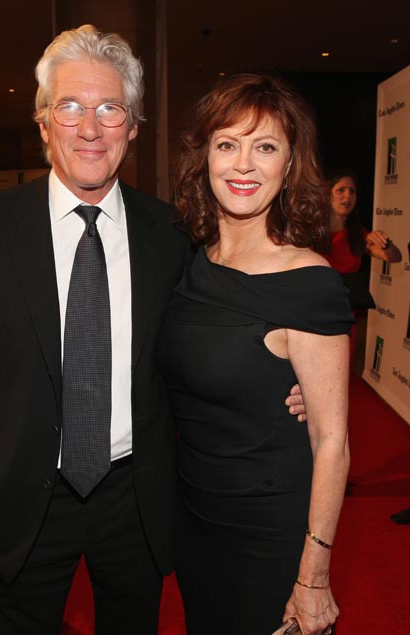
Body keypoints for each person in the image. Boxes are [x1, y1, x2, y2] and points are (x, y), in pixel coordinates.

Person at [0, 25, 307, 635]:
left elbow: (212, 343)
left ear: (133, 127)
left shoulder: (172, 235)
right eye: (70, 107)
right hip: (22, 496)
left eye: (109, 109)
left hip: (136, 498)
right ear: (43, 121)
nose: (89, 128)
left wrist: (289, 387)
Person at [157, 73, 353, 635]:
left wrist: (314, 575)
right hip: (194, 517)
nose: (244, 164)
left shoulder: (308, 282)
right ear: (205, 158)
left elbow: (331, 438)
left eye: (264, 147)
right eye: (228, 144)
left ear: (290, 165)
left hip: (268, 530)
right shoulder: (190, 261)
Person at [325, 170, 402, 360]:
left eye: (352, 191)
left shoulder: (357, 234)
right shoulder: (312, 231)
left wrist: (386, 243)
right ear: (327, 195)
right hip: (317, 308)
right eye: (341, 190)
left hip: (345, 311)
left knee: (342, 363)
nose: (347, 196)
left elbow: (394, 257)